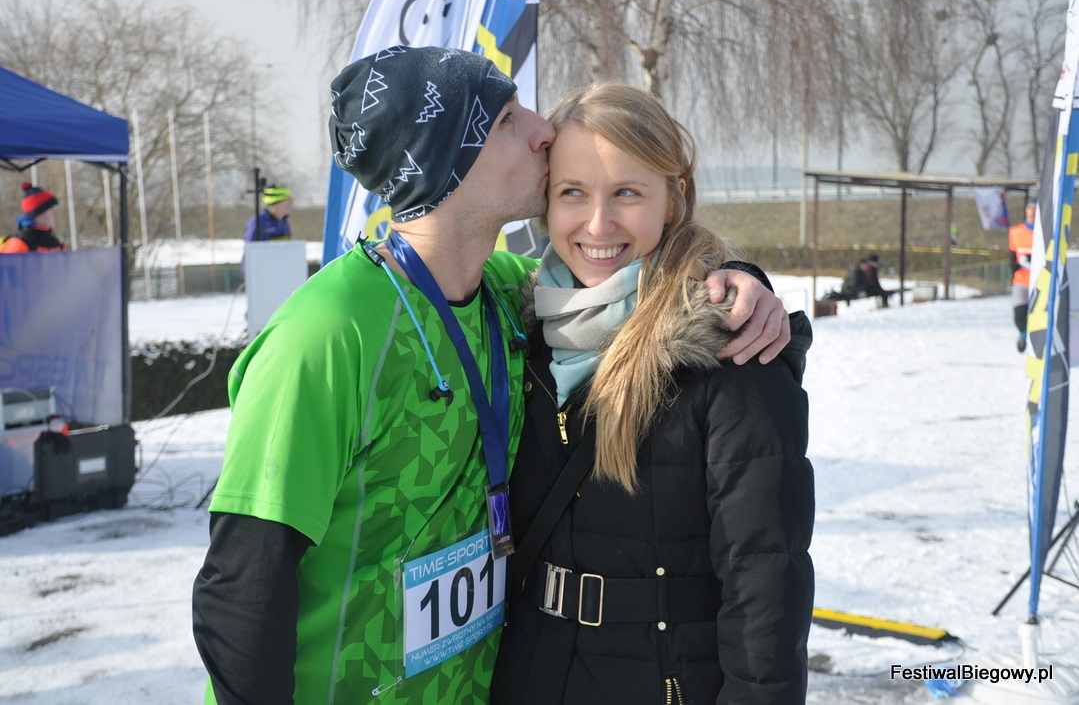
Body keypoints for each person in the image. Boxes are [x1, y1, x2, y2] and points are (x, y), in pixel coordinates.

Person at [191, 47, 789, 705]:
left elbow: (636, 291)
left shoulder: (511, 295)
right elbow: (242, 586)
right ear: (447, 161)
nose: (542, 130)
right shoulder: (328, 332)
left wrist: (736, 284)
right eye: (506, 118)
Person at [490, 84, 814, 704]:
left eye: (627, 193)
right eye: (573, 193)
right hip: (532, 673)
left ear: (673, 199)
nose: (598, 224)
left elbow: (765, 580)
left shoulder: (731, 350)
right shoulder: (519, 331)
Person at [1, 182, 67, 253]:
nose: (57, 216)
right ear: (38, 212)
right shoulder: (18, 243)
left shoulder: (55, 243)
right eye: (53, 211)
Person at [1010, 199, 1036, 352]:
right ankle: (1023, 334)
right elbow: (1012, 254)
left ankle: (1037, 339)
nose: (1032, 211)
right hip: (1021, 280)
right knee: (1019, 314)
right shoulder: (1015, 232)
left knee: (1038, 314)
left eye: (1035, 208)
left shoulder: (1046, 233)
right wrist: (1013, 266)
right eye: (1030, 208)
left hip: (1040, 280)